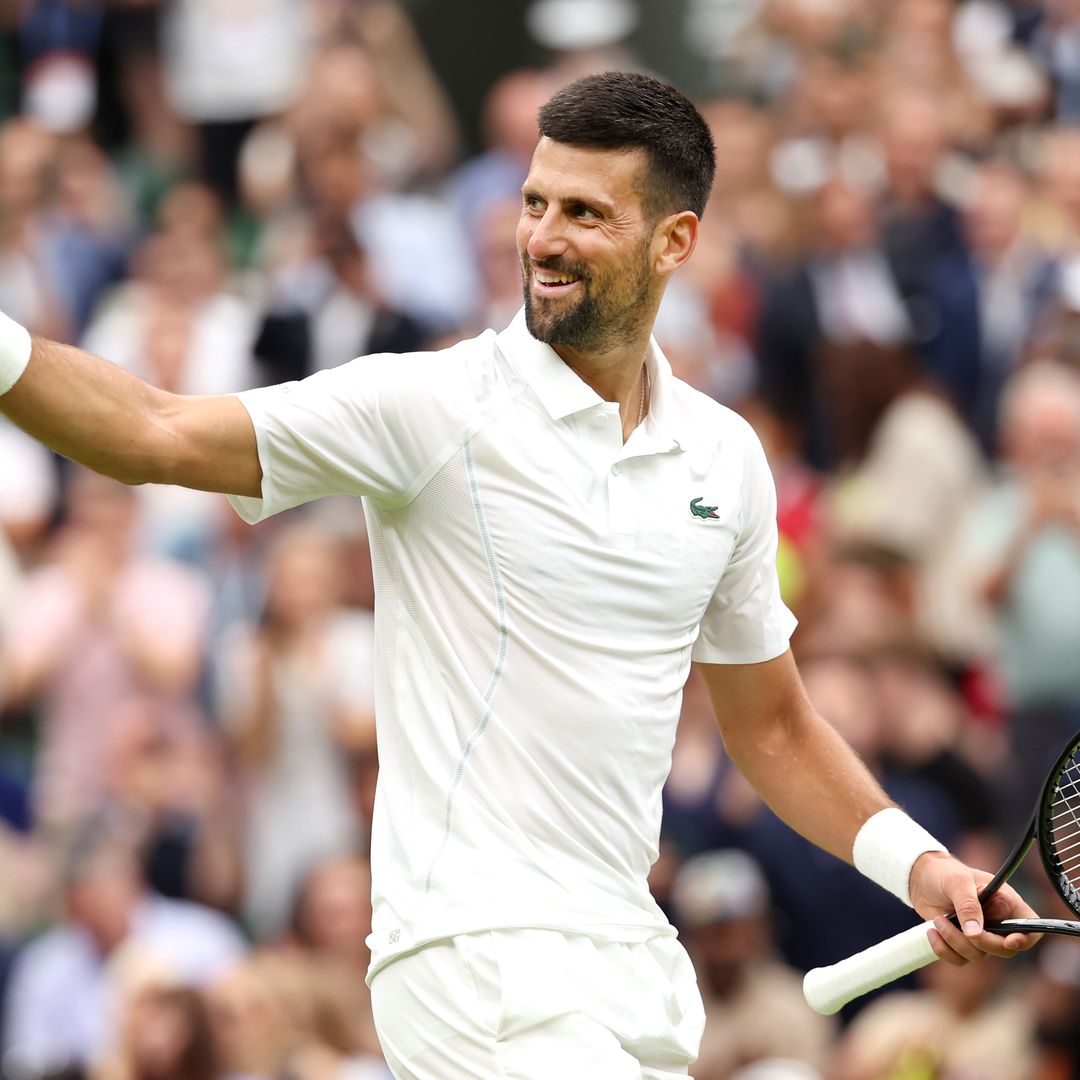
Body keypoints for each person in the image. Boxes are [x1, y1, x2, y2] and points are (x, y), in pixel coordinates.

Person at [0, 70, 1040, 1079]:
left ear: (675, 240)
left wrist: (924, 866)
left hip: (631, 962)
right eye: (535, 202)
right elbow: (153, 431)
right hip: (471, 957)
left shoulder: (726, 459)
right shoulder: (431, 408)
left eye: (585, 212)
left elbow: (771, 728)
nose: (542, 237)